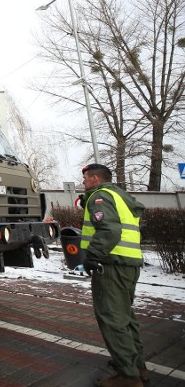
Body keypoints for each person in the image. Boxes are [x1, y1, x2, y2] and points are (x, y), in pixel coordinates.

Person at [77, 164, 148, 387]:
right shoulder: (121, 196)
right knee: (125, 316)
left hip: (111, 264)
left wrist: (92, 256)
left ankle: (128, 375)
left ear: (96, 179)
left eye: (86, 179)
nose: (84, 183)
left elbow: (109, 230)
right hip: (128, 263)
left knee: (112, 317)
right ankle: (137, 366)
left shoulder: (100, 197)